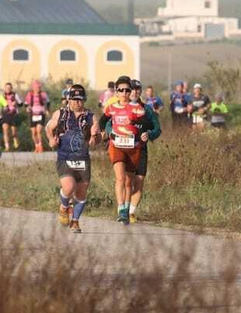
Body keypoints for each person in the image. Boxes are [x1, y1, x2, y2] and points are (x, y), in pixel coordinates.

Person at [99, 75, 151, 226]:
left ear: (130, 92)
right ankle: (121, 209)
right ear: (116, 92)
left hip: (132, 148)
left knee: (128, 181)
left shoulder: (137, 108)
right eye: (120, 90)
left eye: (127, 90)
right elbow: (103, 120)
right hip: (116, 146)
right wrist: (104, 132)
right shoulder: (112, 108)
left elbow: (146, 123)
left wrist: (143, 131)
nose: (124, 93)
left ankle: (128, 208)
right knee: (120, 178)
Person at [49, 83, 99, 233]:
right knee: (69, 187)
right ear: (68, 99)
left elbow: (97, 139)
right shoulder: (60, 114)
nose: (77, 102)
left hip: (83, 158)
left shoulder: (90, 116)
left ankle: (75, 221)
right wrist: (51, 139)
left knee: (81, 193)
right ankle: (64, 207)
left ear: (84, 100)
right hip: (64, 157)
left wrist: (95, 138)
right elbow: (48, 128)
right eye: (74, 99)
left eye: (80, 99)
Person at [123, 78, 162, 222]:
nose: (134, 92)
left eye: (137, 89)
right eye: (131, 89)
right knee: (127, 181)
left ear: (140, 91)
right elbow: (108, 124)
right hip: (124, 149)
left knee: (139, 181)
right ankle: (123, 210)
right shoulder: (120, 107)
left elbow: (157, 129)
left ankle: (131, 212)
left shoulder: (147, 110)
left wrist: (149, 134)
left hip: (141, 149)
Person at [26, 79, 52, 152]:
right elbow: (26, 103)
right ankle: (36, 146)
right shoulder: (30, 94)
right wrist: (27, 108)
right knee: (33, 132)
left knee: (38, 130)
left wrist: (47, 110)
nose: (38, 89)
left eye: (39, 87)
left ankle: (40, 146)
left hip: (41, 113)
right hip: (32, 114)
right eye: (37, 87)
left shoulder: (43, 94)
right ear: (33, 88)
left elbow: (48, 102)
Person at [1, 82, 23, 152]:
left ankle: (16, 142)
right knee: (5, 130)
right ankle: (7, 146)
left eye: (9, 88)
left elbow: (21, 104)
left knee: (14, 132)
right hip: (5, 114)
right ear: (4, 88)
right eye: (6, 88)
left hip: (14, 115)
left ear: (11, 88)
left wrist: (16, 103)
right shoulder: (2, 95)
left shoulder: (15, 95)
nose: (8, 89)